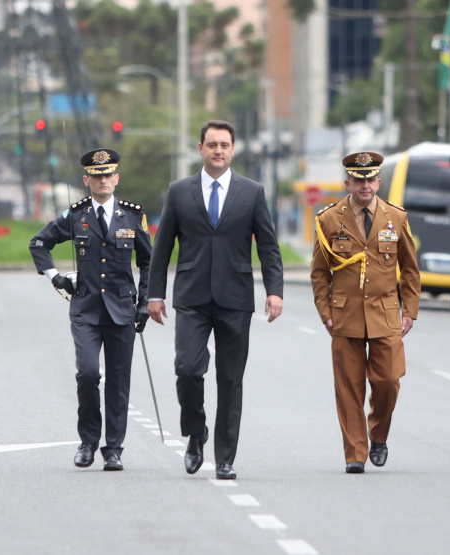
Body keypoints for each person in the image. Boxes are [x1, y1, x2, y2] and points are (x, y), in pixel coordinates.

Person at [147, 120, 284, 480]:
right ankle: (196, 431)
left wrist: (274, 290)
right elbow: (162, 250)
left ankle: (225, 457)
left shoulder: (252, 192)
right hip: (191, 296)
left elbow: (268, 246)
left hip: (235, 298)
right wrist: (154, 293)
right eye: (212, 145)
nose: (218, 150)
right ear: (201, 149)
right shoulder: (179, 191)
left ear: (233, 149)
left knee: (230, 379)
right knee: (188, 369)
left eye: (224, 145)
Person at [29, 148, 152, 471]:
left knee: (118, 381)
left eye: (108, 175)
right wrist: (55, 277)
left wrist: (144, 302)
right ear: (87, 180)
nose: (103, 181)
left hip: (122, 311)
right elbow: (39, 243)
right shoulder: (76, 215)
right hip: (85, 309)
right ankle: (88, 441)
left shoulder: (132, 216)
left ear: (117, 178)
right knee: (87, 373)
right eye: (96, 176)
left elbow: (148, 261)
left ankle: (113, 449)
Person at [310, 151, 421, 474]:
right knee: (349, 388)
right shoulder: (329, 219)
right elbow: (319, 272)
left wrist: (409, 310)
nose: (365, 186)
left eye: (370, 179)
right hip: (344, 316)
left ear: (378, 181)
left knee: (388, 380)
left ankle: (378, 434)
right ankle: (355, 454)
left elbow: (410, 270)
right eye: (359, 180)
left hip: (386, 314)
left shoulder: (395, 218)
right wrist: (325, 310)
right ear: (348, 182)